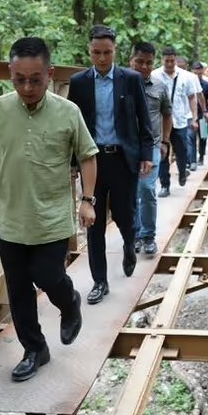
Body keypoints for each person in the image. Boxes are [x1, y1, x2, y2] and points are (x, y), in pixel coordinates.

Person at [0, 37, 98, 382]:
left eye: (35, 79)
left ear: (50, 74)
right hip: (9, 220)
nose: (27, 86)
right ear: (10, 73)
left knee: (49, 276)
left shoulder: (68, 112)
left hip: (51, 218)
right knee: (19, 290)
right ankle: (35, 349)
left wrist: (87, 200)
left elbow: (87, 155)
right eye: (19, 79)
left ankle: (70, 304)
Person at [68, 25, 153, 305]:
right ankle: (99, 281)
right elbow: (72, 126)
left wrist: (147, 155)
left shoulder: (130, 79)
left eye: (106, 52)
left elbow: (144, 120)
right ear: (89, 51)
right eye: (96, 53)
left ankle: (130, 245)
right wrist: (72, 163)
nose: (101, 58)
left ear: (115, 51)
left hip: (123, 159)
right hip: (91, 161)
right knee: (93, 223)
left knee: (125, 217)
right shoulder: (79, 82)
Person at [130, 42, 172, 256]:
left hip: (152, 145)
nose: (144, 67)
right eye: (140, 62)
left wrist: (165, 141)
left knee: (146, 189)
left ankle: (148, 236)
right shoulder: (122, 84)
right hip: (127, 147)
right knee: (131, 192)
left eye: (148, 63)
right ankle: (134, 235)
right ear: (131, 61)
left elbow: (167, 114)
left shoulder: (160, 86)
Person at [153, 47, 200, 198]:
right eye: (166, 61)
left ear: (175, 60)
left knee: (182, 151)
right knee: (163, 153)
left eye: (172, 60)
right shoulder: (155, 75)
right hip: (161, 122)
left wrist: (194, 117)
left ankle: (182, 173)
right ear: (162, 60)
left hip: (180, 121)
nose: (169, 63)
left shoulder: (185, 76)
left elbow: (192, 97)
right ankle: (165, 185)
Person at [192, 61, 208, 163]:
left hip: (203, 113)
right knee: (191, 137)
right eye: (196, 73)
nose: (198, 75)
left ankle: (201, 156)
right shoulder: (188, 83)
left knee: (203, 135)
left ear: (202, 72)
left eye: (199, 73)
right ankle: (192, 159)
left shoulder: (207, 85)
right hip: (191, 114)